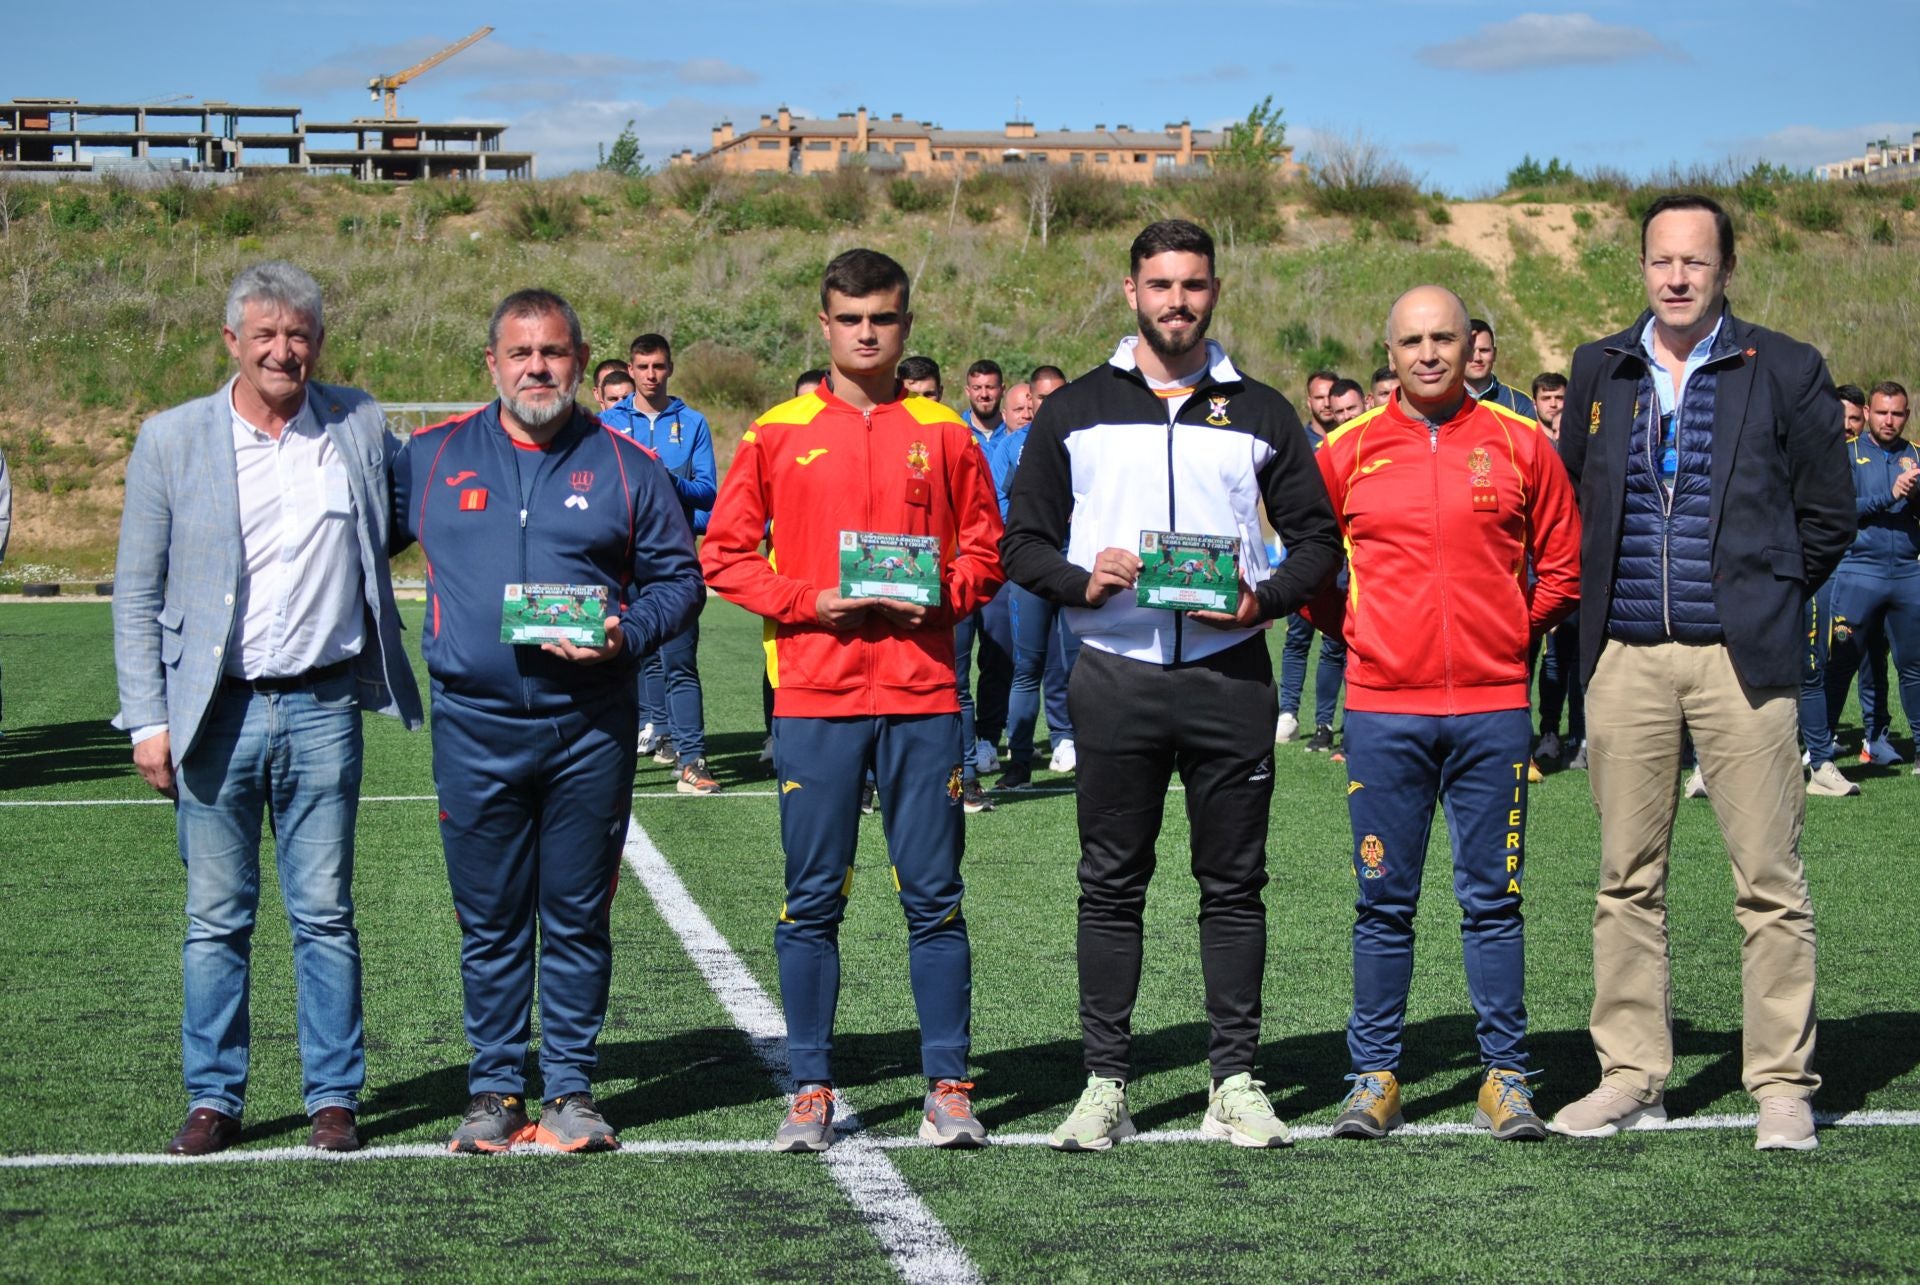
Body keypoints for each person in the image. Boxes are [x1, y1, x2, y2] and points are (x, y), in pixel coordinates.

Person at [1002, 219, 1342, 1151]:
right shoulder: (1075, 409)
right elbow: (1021, 542)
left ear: (1215, 292)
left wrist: (1264, 598)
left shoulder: (1263, 411)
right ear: (1131, 291)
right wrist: (1082, 580)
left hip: (1231, 678)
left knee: (1234, 886)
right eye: (1160, 284)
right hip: (1116, 676)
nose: (1177, 301)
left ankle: (1234, 1080)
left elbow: (1318, 540)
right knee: (1111, 885)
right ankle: (1105, 1082)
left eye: (1193, 284)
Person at [1550, 194, 1854, 1152]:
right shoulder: (1600, 365)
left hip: (1742, 660)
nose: (1676, 277)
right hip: (1625, 657)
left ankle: (1782, 1086)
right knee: (1624, 880)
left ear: (1726, 269)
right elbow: (1574, 498)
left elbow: (1828, 513)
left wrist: (1766, 597)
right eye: (1661, 260)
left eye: (1695, 261)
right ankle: (1631, 1076)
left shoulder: (1787, 366)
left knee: (1769, 882)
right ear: (1641, 266)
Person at [110, 261, 424, 1156]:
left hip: (324, 705)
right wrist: (148, 719)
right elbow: (136, 591)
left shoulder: (358, 422)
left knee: (324, 912)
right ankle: (215, 1096)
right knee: (217, 918)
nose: (282, 350)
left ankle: (334, 1096)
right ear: (232, 342)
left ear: (318, 342)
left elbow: (404, 511)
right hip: (214, 712)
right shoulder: (171, 438)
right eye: (265, 335)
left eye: (298, 335)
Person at [702, 248, 1004, 1152]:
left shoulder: (947, 433)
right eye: (851, 318)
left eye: (883, 318)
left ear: (906, 325)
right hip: (815, 694)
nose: (867, 333)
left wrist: (940, 595)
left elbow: (987, 553)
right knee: (811, 899)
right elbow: (724, 554)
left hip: (922, 695)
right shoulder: (776, 431)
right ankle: (809, 1086)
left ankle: (948, 1084)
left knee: (935, 897)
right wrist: (808, 601)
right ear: (825, 324)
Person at [392, 288, 704, 1154]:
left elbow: (681, 580)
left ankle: (568, 1088)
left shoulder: (628, 467)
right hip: (474, 726)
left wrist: (627, 631)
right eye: (521, 352)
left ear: (581, 361)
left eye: (555, 352)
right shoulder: (429, 457)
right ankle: (495, 1088)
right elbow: (343, 540)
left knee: (576, 913)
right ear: (492, 363)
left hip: (588, 729)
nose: (538, 367)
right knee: (490, 919)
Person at [1307, 285, 1580, 1143]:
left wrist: (1506, 639)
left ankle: (1505, 1076)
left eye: (1444, 339)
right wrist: (1367, 636)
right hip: (1384, 714)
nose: (1428, 354)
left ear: (1472, 347)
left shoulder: (1523, 442)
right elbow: (1308, 571)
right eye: (1412, 341)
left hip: (1493, 714)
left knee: (1494, 900)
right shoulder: (1344, 450)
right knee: (1382, 903)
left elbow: (1563, 568)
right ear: (1389, 354)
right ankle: (1375, 1076)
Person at [600, 334, 721, 793]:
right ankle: (607, 761)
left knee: (680, 663)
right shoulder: (606, 424)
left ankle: (693, 760)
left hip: (673, 562)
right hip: (619, 561)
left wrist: (665, 478)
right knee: (614, 662)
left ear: (670, 368)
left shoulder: (692, 423)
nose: (651, 375)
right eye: (643, 366)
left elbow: (708, 492)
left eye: (659, 366)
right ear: (630, 370)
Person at [1817, 380, 1918, 792]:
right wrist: (1890, 494)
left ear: (1906, 415)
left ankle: (1912, 748)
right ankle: (1819, 753)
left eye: (1897, 413)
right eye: (1882, 413)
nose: (1889, 420)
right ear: (1869, 414)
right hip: (1859, 571)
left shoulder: (1915, 455)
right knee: (1841, 663)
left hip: (1907, 573)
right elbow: (1839, 510)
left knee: (1912, 666)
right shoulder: (1846, 454)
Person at [1276, 371, 1350, 751]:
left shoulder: (1354, 441)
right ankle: (1288, 713)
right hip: (1303, 559)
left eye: (1330, 397)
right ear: (1310, 401)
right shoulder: (1298, 441)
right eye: (1319, 398)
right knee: (1297, 636)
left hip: (1344, 560)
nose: (1326, 404)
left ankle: (1328, 721)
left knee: (1336, 642)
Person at [955, 359, 1016, 799]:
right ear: (967, 390)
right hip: (960, 560)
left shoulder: (1018, 439)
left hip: (1003, 562)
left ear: (1001, 389)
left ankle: (987, 737)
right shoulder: (952, 433)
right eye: (977, 387)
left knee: (999, 654)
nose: (984, 394)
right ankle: (957, 741)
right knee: (955, 659)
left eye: (991, 387)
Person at [1529, 371, 1587, 769]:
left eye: (1560, 398)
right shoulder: (1533, 447)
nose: (1554, 404)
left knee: (1581, 659)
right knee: (1549, 659)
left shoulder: (1586, 457)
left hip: (1583, 570)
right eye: (1547, 398)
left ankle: (1581, 736)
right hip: (1542, 572)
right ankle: (1547, 732)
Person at [1465, 319, 1538, 419]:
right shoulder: (1444, 401)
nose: (1477, 358)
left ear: (1494, 354)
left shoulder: (1519, 404)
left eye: (1484, 350)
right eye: (1470, 351)